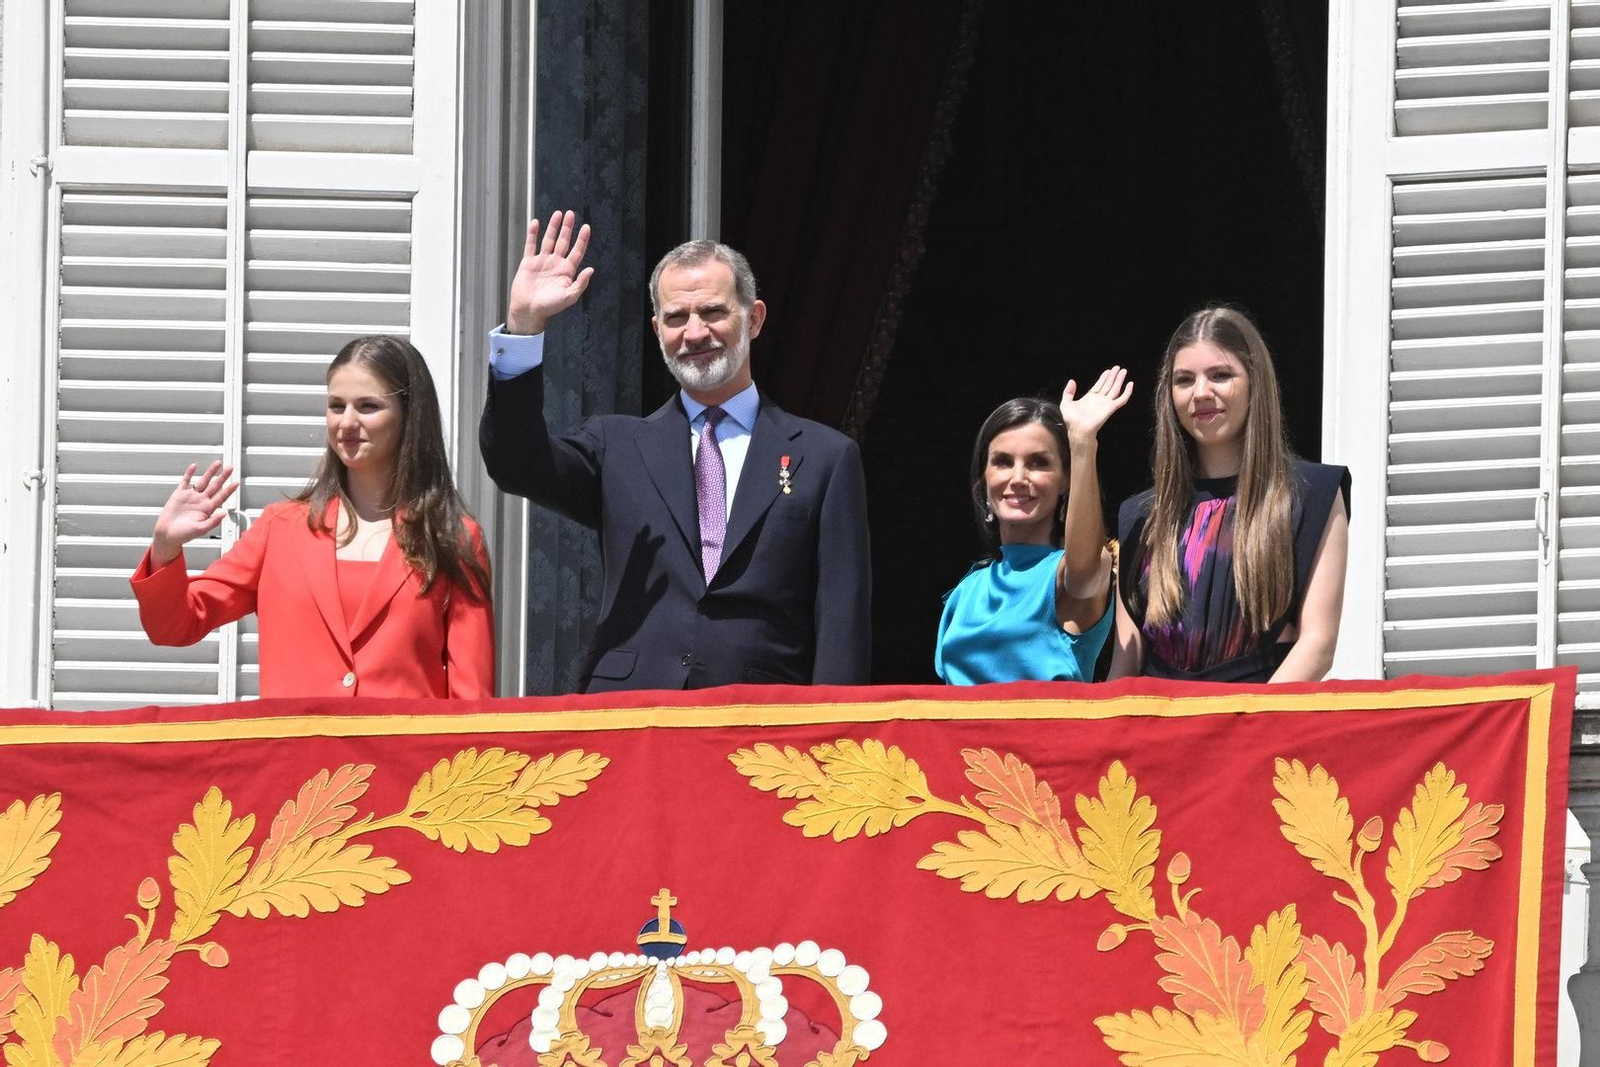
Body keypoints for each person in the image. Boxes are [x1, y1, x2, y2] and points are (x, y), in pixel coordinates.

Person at [479, 211, 871, 692]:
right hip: (630, 717)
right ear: (657, 329)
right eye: (676, 317)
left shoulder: (825, 457)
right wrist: (523, 327)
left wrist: (831, 737)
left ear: (754, 319)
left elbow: (841, 617)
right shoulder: (616, 445)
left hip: (763, 727)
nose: (694, 333)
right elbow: (515, 462)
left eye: (712, 312)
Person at [130, 336, 495, 699]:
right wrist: (166, 547)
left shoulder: (454, 537)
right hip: (294, 755)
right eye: (337, 406)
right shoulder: (281, 528)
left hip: (402, 757)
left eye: (368, 406)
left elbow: (472, 700)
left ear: (409, 415)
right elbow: (174, 627)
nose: (347, 422)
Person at [1109, 306, 1349, 683]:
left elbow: (1318, 644)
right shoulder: (1140, 514)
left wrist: (1242, 731)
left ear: (1255, 382)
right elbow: (1126, 662)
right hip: (1160, 729)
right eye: (1184, 380)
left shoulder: (1312, 494)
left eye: (1220, 375)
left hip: (1261, 726)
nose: (1201, 393)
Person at [936, 370, 1132, 684]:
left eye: (1038, 463)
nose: (1017, 478)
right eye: (1002, 462)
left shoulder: (1070, 576)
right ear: (983, 482)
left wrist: (1082, 441)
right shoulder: (967, 589)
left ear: (1065, 480)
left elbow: (1083, 572)